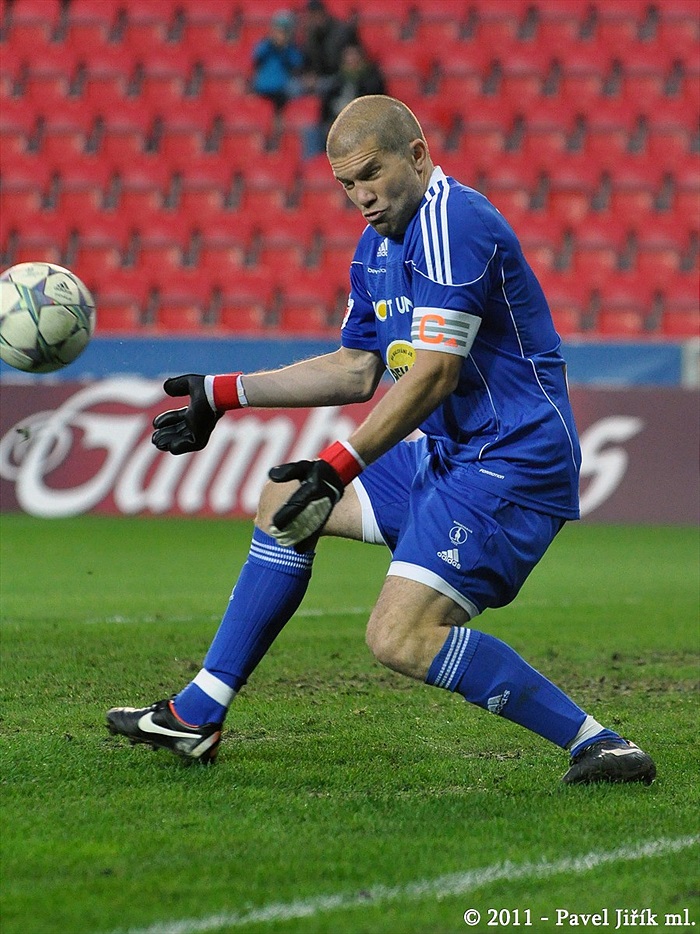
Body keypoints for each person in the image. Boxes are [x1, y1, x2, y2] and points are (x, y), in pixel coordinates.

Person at [107, 96, 656, 786]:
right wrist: (223, 394)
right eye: (346, 185)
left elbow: (432, 374)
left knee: (398, 638)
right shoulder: (376, 249)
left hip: (513, 460)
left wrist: (339, 465)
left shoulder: (455, 221)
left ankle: (600, 743)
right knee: (283, 502)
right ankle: (197, 716)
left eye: (371, 174)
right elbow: (356, 368)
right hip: (452, 454)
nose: (360, 197)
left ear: (417, 156)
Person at [250, 9, 303, 113]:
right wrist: (272, 42)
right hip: (263, 87)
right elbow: (256, 55)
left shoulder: (291, 48)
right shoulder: (266, 45)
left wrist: (285, 47)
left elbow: (297, 63)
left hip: (282, 88)